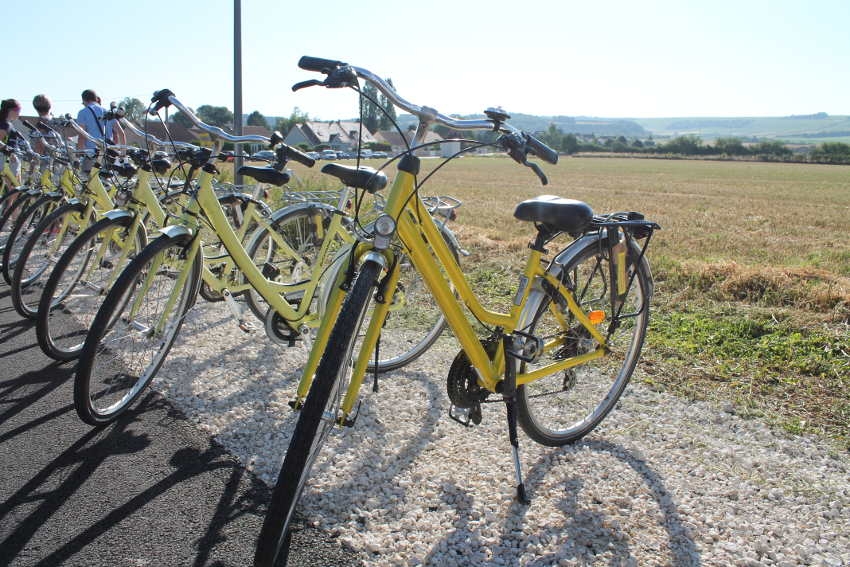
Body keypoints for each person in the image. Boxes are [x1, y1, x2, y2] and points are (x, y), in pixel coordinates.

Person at [76, 89, 125, 172]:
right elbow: (121, 133)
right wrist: (123, 154)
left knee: (87, 179)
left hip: (92, 154)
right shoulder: (108, 112)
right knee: (106, 180)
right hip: (108, 153)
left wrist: (79, 154)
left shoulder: (82, 112)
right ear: (96, 99)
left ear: (84, 100)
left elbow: (82, 136)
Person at [1, 98, 24, 180]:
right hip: (6, 160)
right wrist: (9, 152)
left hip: (11, 160)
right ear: (10, 110)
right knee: (15, 189)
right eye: (18, 110)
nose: (19, 113)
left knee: (17, 188)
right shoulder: (5, 124)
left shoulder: (8, 124)